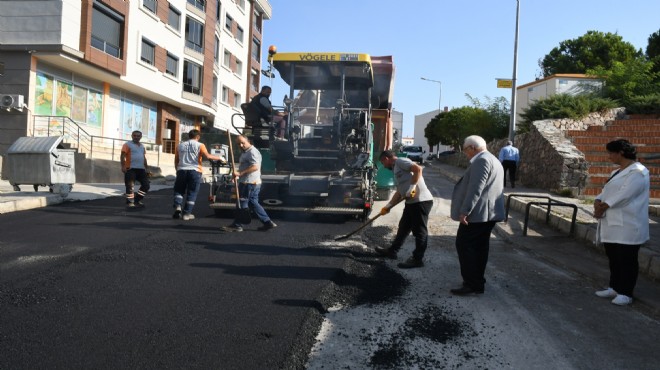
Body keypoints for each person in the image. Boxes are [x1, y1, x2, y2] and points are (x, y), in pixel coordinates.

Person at [593, 139, 649, 306]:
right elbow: (606, 191)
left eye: (611, 153)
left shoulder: (639, 172)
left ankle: (626, 293)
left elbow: (626, 195)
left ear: (621, 153)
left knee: (627, 259)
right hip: (612, 222)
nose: (609, 156)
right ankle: (614, 287)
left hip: (629, 223)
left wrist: (603, 206)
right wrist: (597, 201)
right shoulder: (616, 172)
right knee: (614, 257)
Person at [450, 135, 505, 295]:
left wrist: (465, 211)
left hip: (478, 215)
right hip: (488, 214)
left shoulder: (481, 161)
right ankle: (477, 282)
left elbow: (476, 189)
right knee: (480, 248)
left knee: (464, 245)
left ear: (472, 148)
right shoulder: (493, 159)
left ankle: (471, 283)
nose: (466, 154)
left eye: (466, 150)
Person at [374, 150, 434, 268]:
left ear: (386, 159)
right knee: (403, 227)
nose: (383, 165)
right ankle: (392, 251)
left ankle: (417, 259)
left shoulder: (401, 161)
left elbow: (418, 169)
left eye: (382, 162)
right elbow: (399, 192)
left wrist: (412, 188)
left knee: (419, 231)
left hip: (421, 201)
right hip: (411, 203)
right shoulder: (396, 169)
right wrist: (388, 207)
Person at [220, 135, 277, 232]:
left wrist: (240, 173)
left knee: (241, 203)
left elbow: (255, 166)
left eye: (243, 143)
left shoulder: (252, 152)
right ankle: (267, 222)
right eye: (239, 144)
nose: (241, 145)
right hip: (249, 181)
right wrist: (237, 175)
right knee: (253, 203)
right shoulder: (246, 152)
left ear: (248, 141)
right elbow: (244, 166)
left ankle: (237, 225)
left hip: (249, 183)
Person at [173, 129, 224, 220]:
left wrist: (177, 170)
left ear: (189, 136)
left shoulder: (179, 145)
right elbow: (208, 156)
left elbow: (176, 160)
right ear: (198, 137)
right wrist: (220, 158)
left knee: (179, 190)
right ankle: (186, 214)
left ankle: (178, 206)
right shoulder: (200, 145)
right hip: (195, 171)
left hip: (181, 170)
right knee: (192, 192)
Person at [120, 130, 151, 208]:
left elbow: (144, 158)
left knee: (146, 185)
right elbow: (122, 156)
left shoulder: (142, 146)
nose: (136, 137)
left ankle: (137, 200)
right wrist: (123, 166)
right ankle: (130, 201)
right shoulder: (127, 144)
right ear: (132, 136)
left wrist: (147, 168)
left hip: (141, 169)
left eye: (138, 136)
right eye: (134, 135)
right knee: (130, 185)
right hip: (131, 168)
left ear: (140, 137)